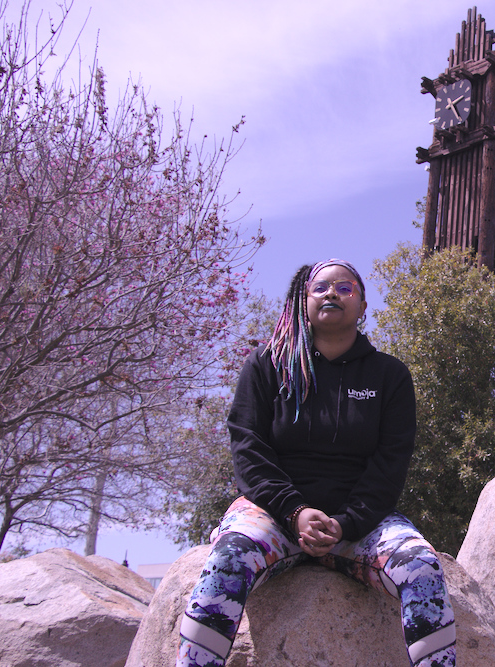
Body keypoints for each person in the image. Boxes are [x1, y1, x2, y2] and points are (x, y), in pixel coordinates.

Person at [175, 259, 457, 667]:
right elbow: (248, 450)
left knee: (422, 568)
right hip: (272, 515)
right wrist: (295, 511)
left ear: (362, 306)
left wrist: (346, 522)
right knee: (229, 557)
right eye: (320, 287)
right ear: (302, 301)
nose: (331, 293)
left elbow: (390, 463)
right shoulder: (266, 365)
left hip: (360, 525)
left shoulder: (389, 375)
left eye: (346, 288)